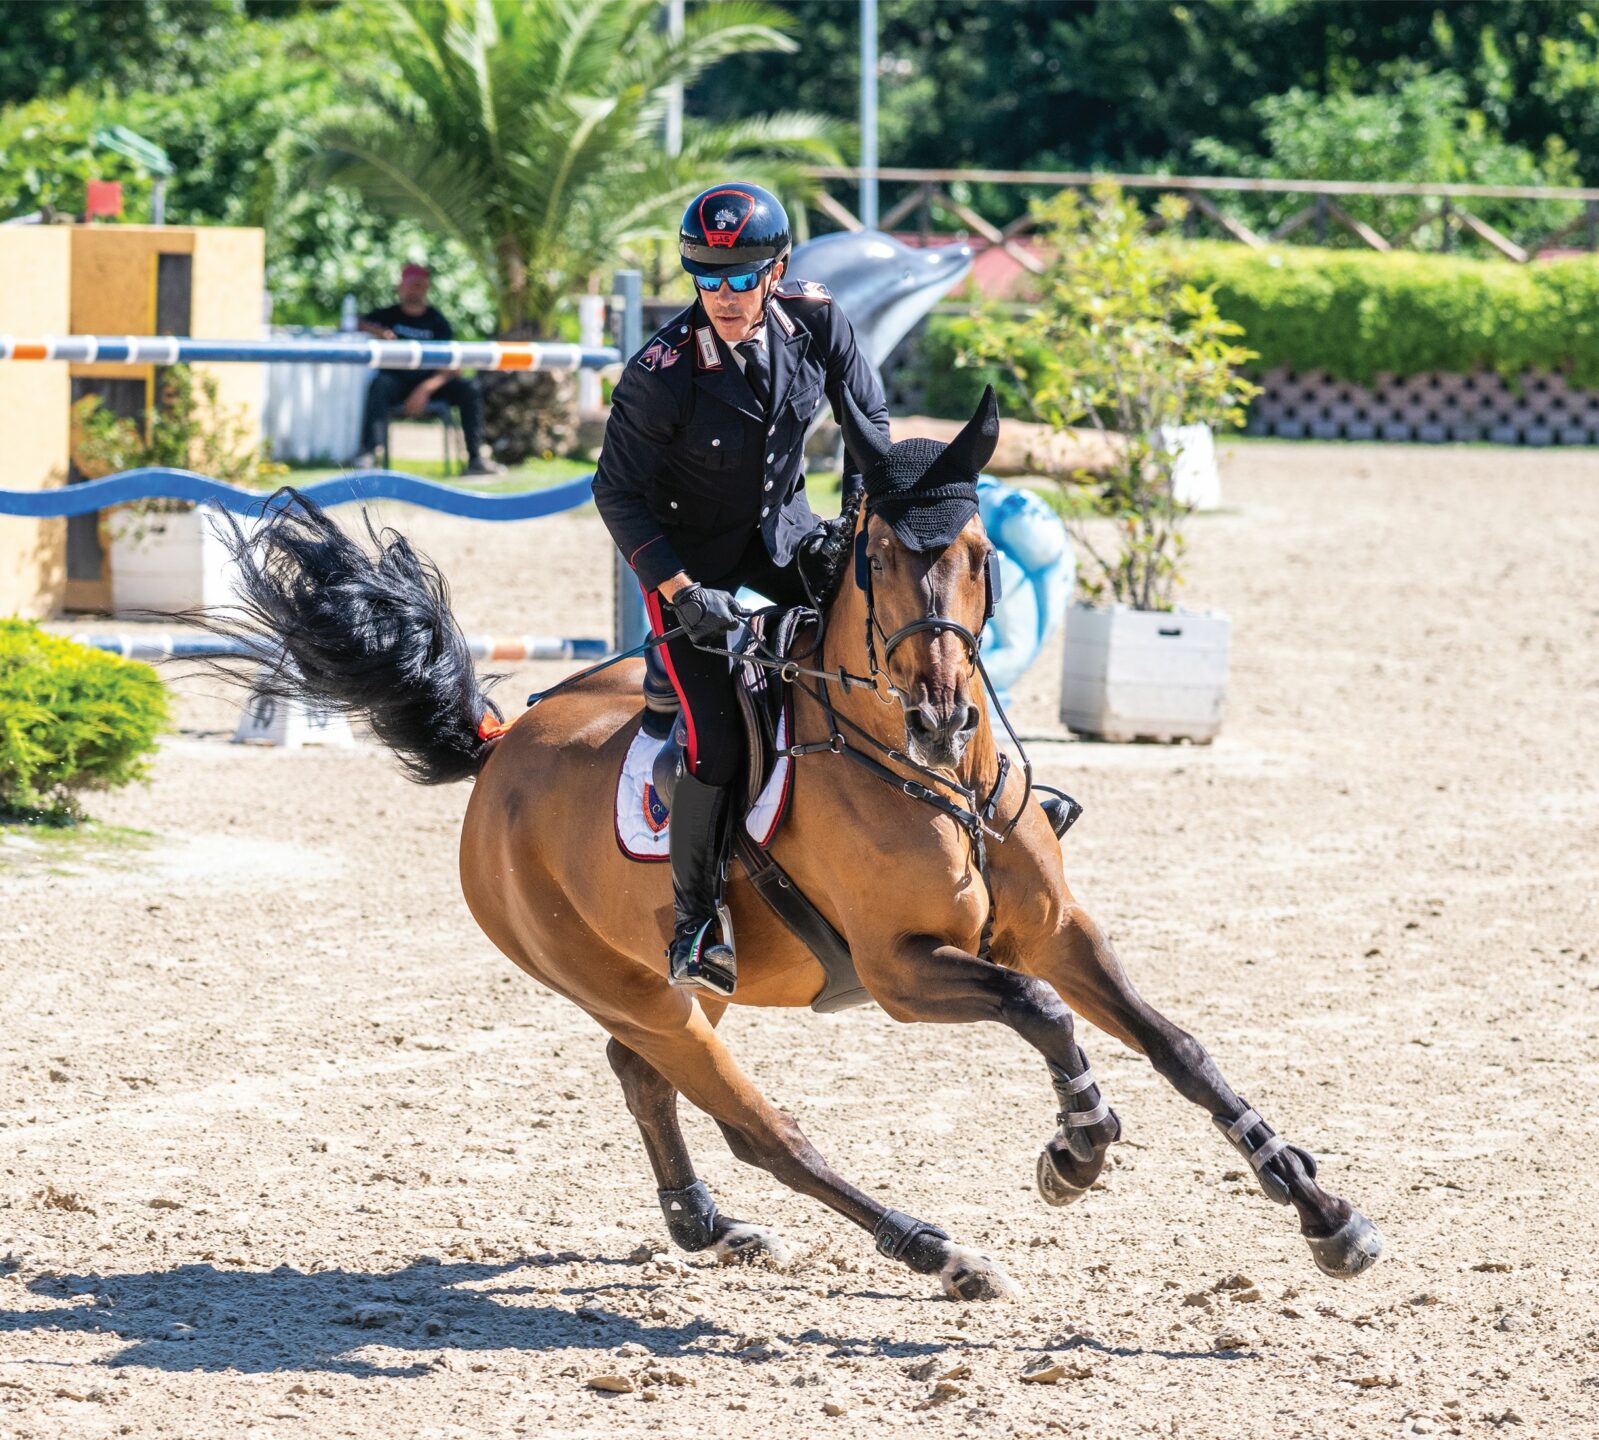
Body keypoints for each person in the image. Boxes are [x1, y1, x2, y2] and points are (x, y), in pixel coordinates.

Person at [593, 181, 890, 997]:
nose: (722, 296)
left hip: (784, 539)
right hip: (689, 564)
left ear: (776, 271)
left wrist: (856, 529)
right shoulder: (660, 371)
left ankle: (983, 791)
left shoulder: (816, 319)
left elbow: (867, 428)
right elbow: (615, 492)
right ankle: (694, 924)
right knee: (716, 740)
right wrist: (681, 591)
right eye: (705, 279)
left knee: (903, 625)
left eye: (740, 278)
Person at [352, 263, 504, 475]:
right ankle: (369, 454)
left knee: (470, 387)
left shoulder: (437, 322)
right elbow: (353, 322)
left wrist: (425, 389)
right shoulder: (387, 315)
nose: (413, 291)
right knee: (380, 384)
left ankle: (476, 458)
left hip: (431, 385)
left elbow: (453, 365)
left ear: (426, 288)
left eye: (419, 285)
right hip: (396, 383)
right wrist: (376, 331)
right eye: (410, 285)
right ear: (400, 287)